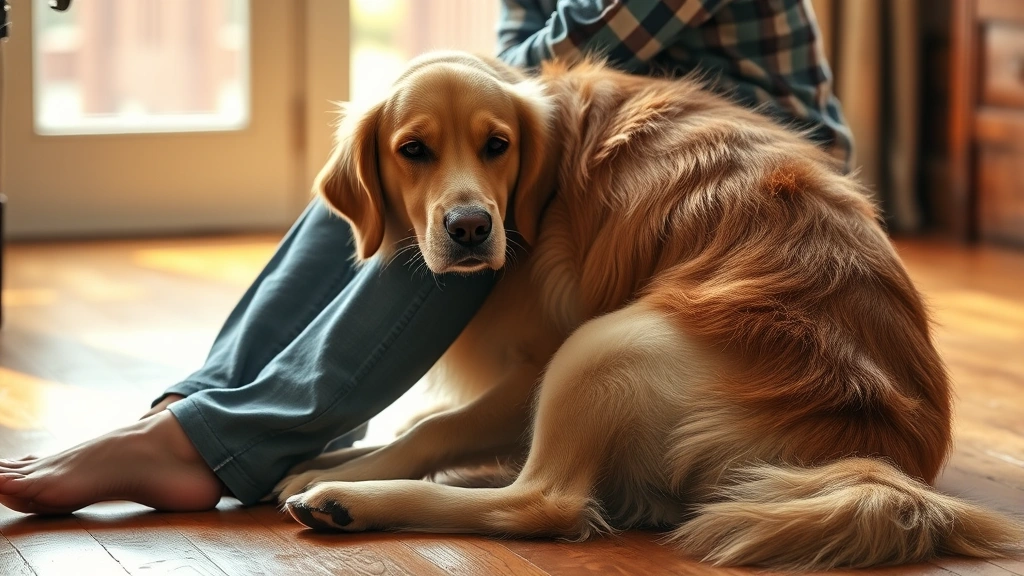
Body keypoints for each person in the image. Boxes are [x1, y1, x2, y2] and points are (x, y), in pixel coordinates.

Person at [0, 0, 851, 514]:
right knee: (401, 170)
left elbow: (575, 45)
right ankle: (196, 414)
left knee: (461, 194)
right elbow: (516, 63)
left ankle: (214, 442)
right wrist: (417, 124)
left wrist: (450, 121)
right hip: (595, 133)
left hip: (726, 161)